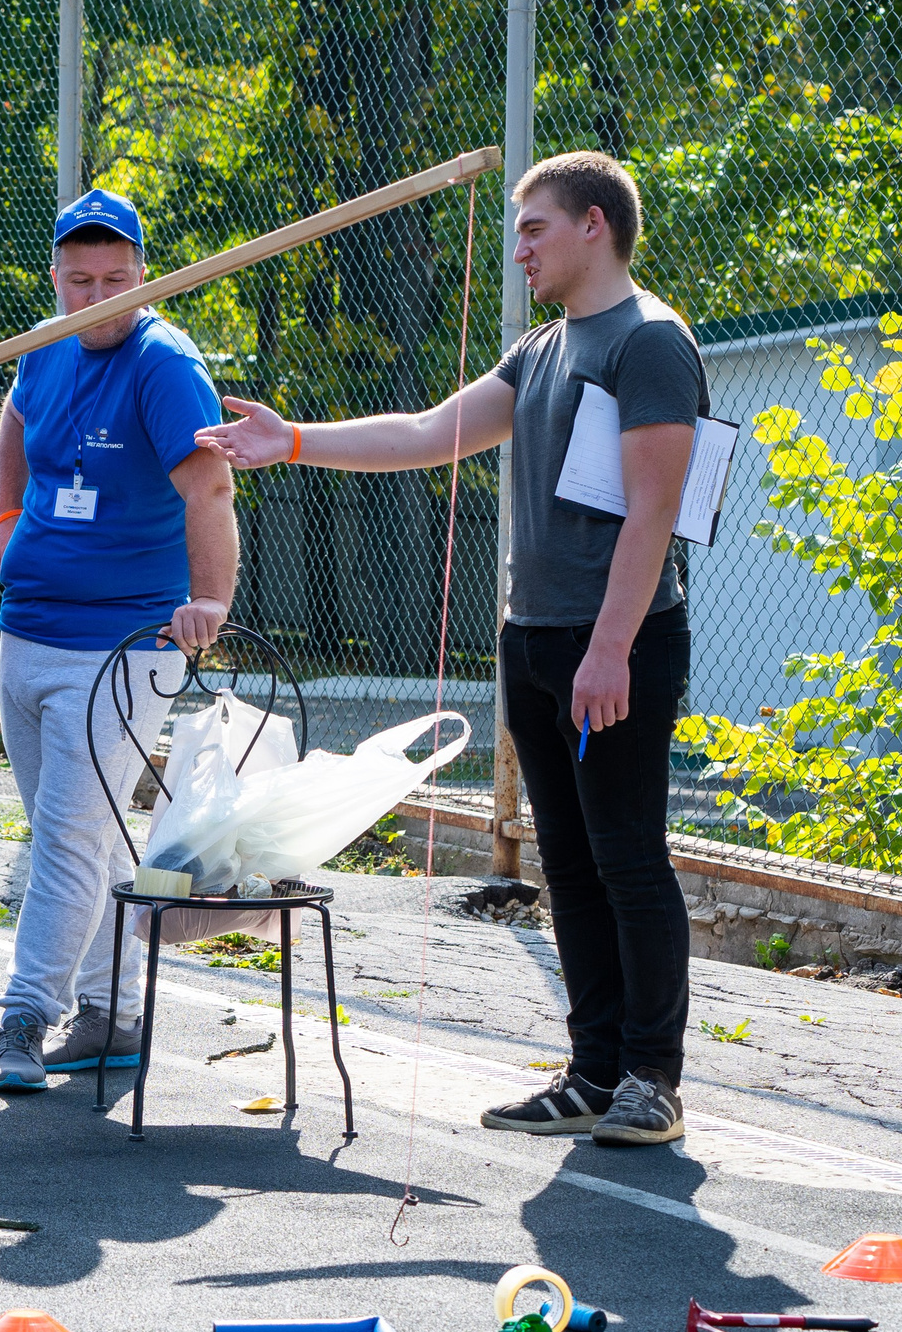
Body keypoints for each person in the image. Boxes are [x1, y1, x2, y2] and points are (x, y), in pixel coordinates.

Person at [198, 151, 704, 1146]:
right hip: (533, 637)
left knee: (627, 861)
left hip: (619, 642)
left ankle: (653, 1078)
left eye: (535, 228)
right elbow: (430, 432)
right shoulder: (542, 349)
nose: (519, 248)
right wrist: (292, 439)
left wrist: (610, 651)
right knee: (567, 861)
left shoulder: (648, 342)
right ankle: (592, 1072)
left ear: (594, 225)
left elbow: (654, 510)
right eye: (515, 231)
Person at [0, 189, 236, 1094]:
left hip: (124, 642)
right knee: (76, 836)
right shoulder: (44, 346)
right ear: (56, 277)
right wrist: (8, 517)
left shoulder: (165, 363)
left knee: (67, 834)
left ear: (144, 274)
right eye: (80, 279)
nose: (98, 296)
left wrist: (209, 598)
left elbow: (209, 488)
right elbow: (13, 422)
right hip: (30, 630)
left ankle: (23, 1013)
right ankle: (113, 1011)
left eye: (117, 280)